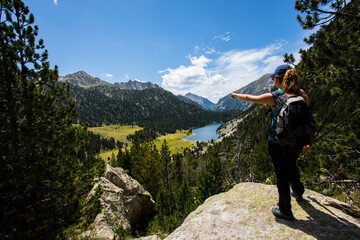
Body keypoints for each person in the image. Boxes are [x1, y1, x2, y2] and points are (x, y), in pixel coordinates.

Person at [230, 64, 309, 221]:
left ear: (279, 79)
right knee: (292, 164)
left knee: (281, 175)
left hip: (277, 142)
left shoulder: (275, 96)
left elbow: (250, 98)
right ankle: (298, 191)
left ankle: (285, 209)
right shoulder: (302, 94)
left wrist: (236, 95)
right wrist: (307, 140)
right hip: (297, 141)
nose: (273, 80)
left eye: (274, 78)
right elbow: (305, 117)